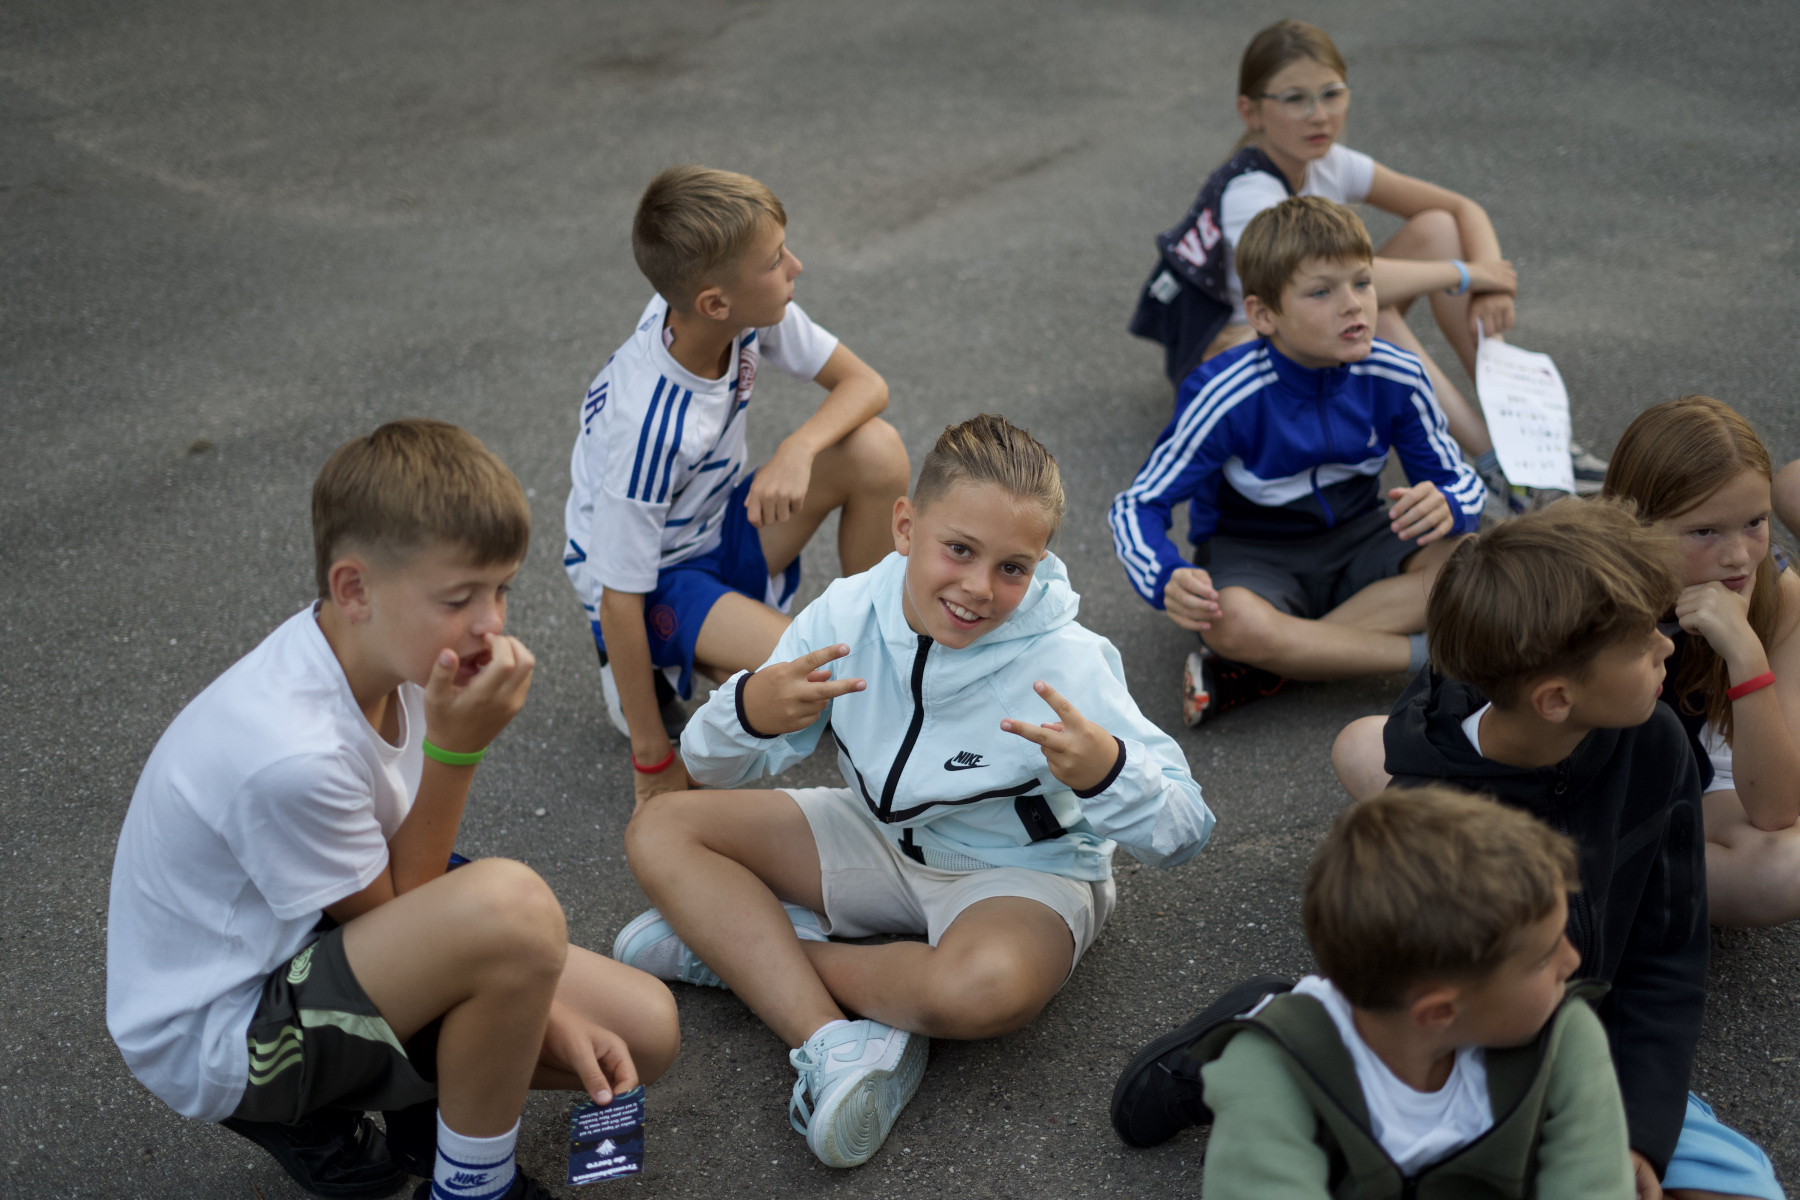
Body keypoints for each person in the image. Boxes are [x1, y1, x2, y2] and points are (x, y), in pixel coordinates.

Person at [617, 415, 1216, 1168]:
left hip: (1020, 875)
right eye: (958, 549)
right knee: (662, 827)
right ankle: (832, 1037)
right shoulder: (847, 612)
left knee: (987, 990)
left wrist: (1108, 770)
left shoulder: (1068, 660)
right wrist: (750, 710)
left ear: (1040, 565)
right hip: (876, 837)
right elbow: (710, 764)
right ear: (905, 525)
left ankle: (745, 955)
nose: (978, 588)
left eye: (1013, 567)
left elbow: (1186, 827)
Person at [106, 421, 681, 1200]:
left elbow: (400, 895)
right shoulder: (292, 754)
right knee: (511, 912)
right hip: (224, 1029)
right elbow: (400, 915)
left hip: (319, 923)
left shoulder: (386, 653)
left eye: (501, 589)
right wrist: (457, 752)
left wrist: (524, 1001)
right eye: (459, 598)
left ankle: (422, 1114)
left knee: (643, 1031)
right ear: (353, 590)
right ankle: (469, 1185)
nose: (492, 623)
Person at [1330, 499, 1783, 1200]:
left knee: (1745, 1187)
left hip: (1599, 1058)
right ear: (1555, 700)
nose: (1666, 646)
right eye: (1641, 643)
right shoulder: (1434, 821)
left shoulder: (1654, 741)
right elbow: (1427, 1036)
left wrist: (1638, 1138)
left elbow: (1666, 959)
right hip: (1474, 1074)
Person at [1127, 18, 1607, 507]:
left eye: (1331, 94)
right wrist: (1466, 274)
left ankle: (1525, 438)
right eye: (1294, 99)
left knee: (1436, 230)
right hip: (1237, 348)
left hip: (1303, 317)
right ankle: (1496, 466)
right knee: (1365, 309)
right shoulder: (1250, 192)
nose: (1319, 115)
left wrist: (1490, 283)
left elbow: (1461, 209)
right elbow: (1314, 285)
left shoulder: (1327, 160)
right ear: (1250, 111)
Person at [563, 164, 910, 810]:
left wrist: (798, 448)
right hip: (656, 578)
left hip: (717, 522)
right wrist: (652, 759)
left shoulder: (738, 313)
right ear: (715, 303)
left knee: (875, 449)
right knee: (828, 687)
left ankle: (883, 642)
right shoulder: (647, 427)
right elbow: (618, 597)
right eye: (776, 260)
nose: (796, 266)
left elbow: (868, 385)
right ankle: (650, 665)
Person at [1110, 786, 1632, 1200]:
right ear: (1440, 1011)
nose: (1574, 961)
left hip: (1381, 1028)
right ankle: (1222, 1050)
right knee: (1255, 1080)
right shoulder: (1273, 1076)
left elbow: (1593, 1186)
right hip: (1295, 1069)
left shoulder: (1565, 1036)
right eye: (1543, 958)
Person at [1109, 195, 1484, 724]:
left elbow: (1458, 480)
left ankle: (1266, 666)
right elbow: (1138, 504)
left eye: (1363, 282)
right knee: (1228, 618)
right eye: (1321, 292)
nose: (1353, 305)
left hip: (1361, 537)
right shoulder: (1224, 393)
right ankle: (1428, 656)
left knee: (1473, 561)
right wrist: (1165, 575)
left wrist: (1448, 501)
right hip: (1255, 555)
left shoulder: (1398, 374)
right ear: (1264, 314)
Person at [1599, 397, 1800, 926]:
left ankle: (1593, 896)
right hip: (1582, 794)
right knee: (1381, 760)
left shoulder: (1780, 595)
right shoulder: (1587, 584)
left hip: (1685, 795)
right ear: (1636, 525)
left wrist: (1745, 652)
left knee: (1788, 868)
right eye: (1704, 532)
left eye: (1755, 522)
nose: (1738, 557)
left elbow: (1776, 810)